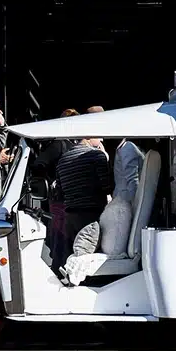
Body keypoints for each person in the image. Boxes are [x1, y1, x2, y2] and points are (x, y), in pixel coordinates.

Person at [52, 137, 112, 272]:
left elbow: (60, 192)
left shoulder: (63, 160)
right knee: (86, 263)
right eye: (99, 135)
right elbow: (107, 187)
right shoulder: (97, 156)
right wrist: (106, 159)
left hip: (70, 216)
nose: (102, 139)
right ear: (89, 136)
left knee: (71, 261)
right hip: (92, 217)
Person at [32, 109, 80, 257]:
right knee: (61, 233)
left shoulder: (74, 142)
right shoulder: (59, 144)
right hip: (60, 197)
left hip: (71, 196)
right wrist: (52, 180)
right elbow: (39, 164)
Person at [99, 138, 144, 255]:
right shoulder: (123, 148)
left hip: (126, 199)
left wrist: (135, 205)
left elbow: (132, 180)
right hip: (123, 199)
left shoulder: (127, 148)